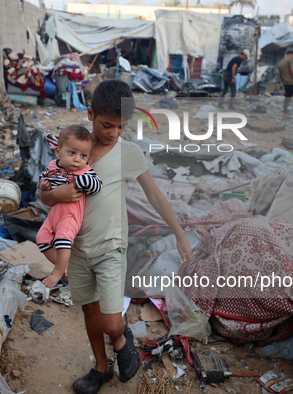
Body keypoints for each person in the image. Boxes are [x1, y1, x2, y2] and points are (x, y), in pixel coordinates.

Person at [40, 79, 193, 394]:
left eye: (121, 127)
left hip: (110, 248)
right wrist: (60, 194)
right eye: (107, 124)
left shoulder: (129, 153)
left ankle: (123, 340)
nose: (113, 133)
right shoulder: (72, 149)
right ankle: (100, 367)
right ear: (90, 113)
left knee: (111, 323)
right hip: (76, 250)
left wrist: (178, 233)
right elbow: (44, 195)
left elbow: (155, 195)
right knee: (89, 311)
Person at [36, 125, 103, 289]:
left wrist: (80, 182)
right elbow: (44, 177)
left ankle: (57, 271)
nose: (77, 159)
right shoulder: (53, 165)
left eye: (83, 155)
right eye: (72, 153)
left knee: (62, 240)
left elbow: (97, 186)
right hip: (53, 214)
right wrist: (43, 185)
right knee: (41, 239)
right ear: (58, 152)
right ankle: (63, 266)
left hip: (71, 215)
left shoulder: (86, 172)